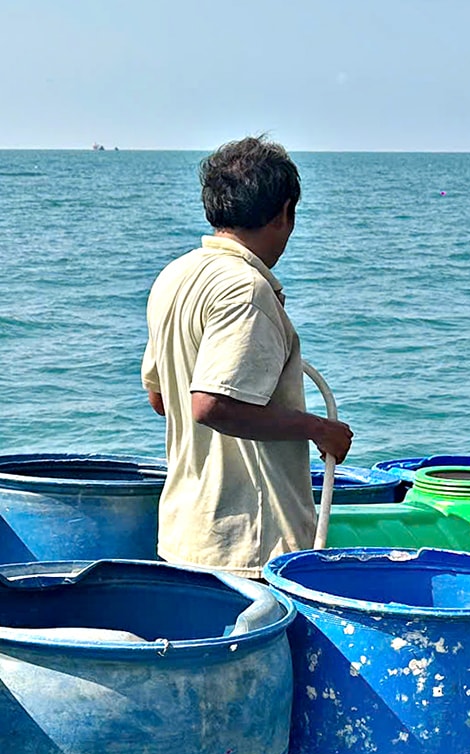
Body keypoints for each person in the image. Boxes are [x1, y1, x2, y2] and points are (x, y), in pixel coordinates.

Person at [142, 136, 353, 576]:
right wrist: (319, 429)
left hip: (185, 531)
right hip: (248, 544)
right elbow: (211, 404)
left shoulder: (175, 276)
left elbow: (162, 398)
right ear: (284, 213)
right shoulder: (246, 288)